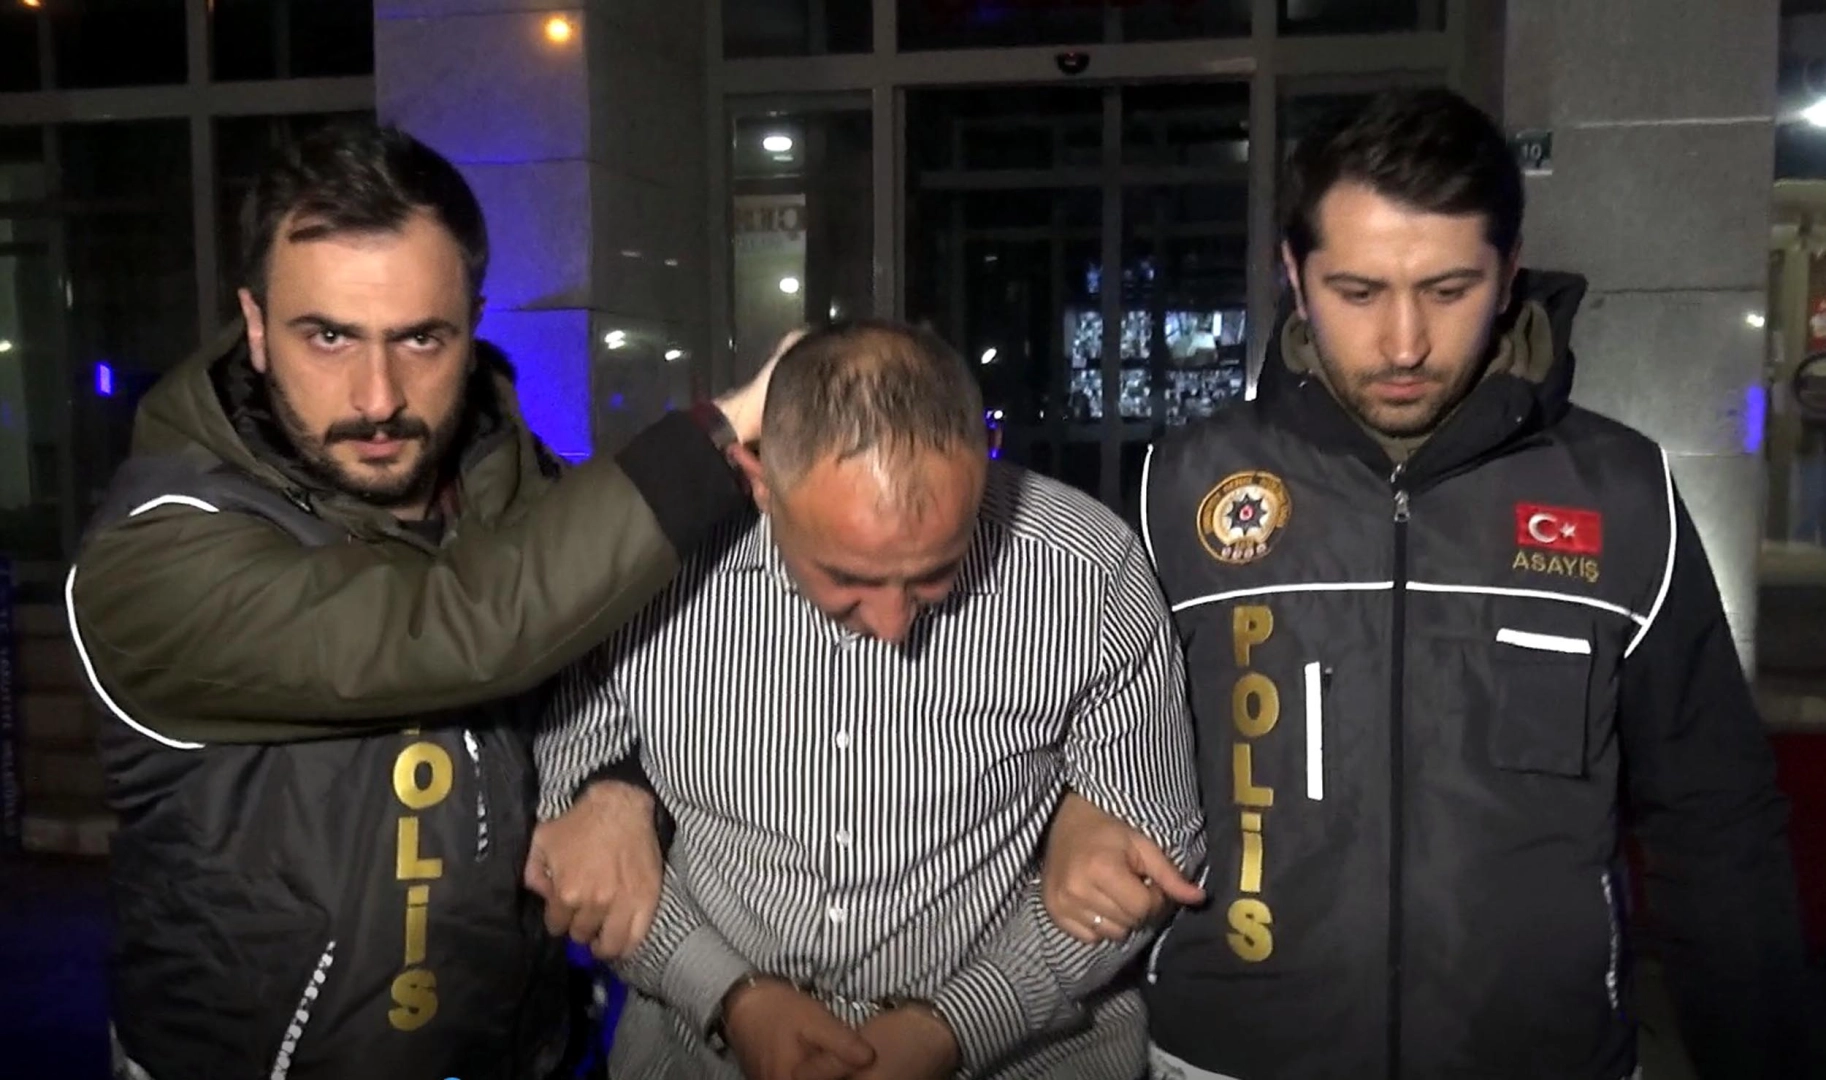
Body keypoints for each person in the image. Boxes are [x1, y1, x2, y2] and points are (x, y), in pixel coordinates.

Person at [1076, 87, 1816, 1079]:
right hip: (1231, 1056)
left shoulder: (1625, 493)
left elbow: (1714, 820)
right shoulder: (1175, 489)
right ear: (1293, 274)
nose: (1403, 345)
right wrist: (1070, 819)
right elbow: (1071, 745)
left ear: (1508, 274)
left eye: (1447, 288)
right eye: (1357, 292)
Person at [65, 122, 782, 1080]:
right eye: (328, 336)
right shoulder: (155, 552)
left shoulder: (517, 489)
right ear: (256, 326)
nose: (378, 396)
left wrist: (617, 787)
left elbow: (640, 667)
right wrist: (719, 437)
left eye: (420, 338)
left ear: (472, 325)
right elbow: (458, 626)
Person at [531, 319, 1206, 1080]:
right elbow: (577, 847)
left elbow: (1153, 853)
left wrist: (955, 1026)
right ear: (760, 481)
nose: (891, 625)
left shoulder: (1087, 569)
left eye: (935, 574)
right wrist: (728, 996)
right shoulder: (650, 565)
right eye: (847, 580)